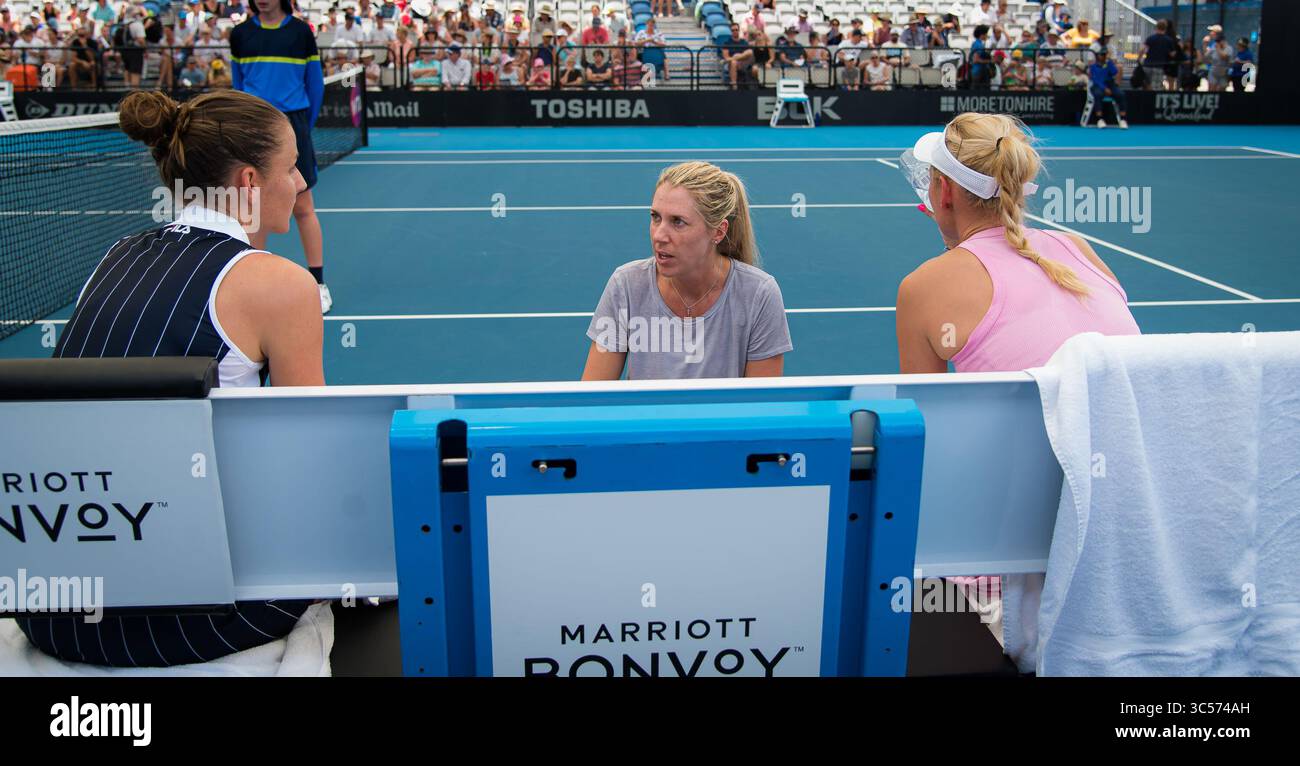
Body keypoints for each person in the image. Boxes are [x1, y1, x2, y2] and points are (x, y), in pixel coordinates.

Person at [17, 88, 324, 668]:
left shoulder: (116, 255)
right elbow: (311, 461)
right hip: (191, 619)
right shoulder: (280, 286)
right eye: (292, 168)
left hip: (52, 611)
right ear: (250, 182)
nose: (303, 183)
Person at [895, 112, 1139, 375]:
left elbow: (928, 408)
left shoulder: (923, 288)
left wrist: (952, 234)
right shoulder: (1077, 247)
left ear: (944, 191)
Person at [582, 161, 792, 380]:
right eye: (655, 217)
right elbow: (591, 398)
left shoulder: (759, 295)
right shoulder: (625, 286)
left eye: (678, 222)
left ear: (718, 232)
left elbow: (759, 406)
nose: (659, 236)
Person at [231, 0, 333, 314]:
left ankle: (318, 283)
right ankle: (250, 284)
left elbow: (314, 85)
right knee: (251, 211)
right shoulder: (240, 34)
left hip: (293, 124)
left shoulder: (302, 32)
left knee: (303, 207)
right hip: (253, 126)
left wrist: (300, 128)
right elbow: (238, 84)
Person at [1086, 48, 1127, 128]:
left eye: (1105, 55)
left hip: (1110, 84)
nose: (1104, 57)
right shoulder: (1093, 66)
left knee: (1121, 94)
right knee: (1098, 94)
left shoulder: (1108, 64)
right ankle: (1099, 120)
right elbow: (1095, 79)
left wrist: (1109, 63)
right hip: (1097, 85)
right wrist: (1104, 88)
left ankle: (1123, 120)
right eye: (1102, 55)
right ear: (1098, 56)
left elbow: (1114, 72)